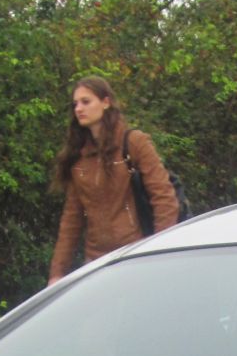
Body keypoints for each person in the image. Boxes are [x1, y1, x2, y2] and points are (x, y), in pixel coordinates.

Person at [47, 77, 179, 285]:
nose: (79, 108)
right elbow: (72, 219)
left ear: (105, 102)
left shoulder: (133, 142)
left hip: (137, 255)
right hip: (96, 262)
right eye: (75, 104)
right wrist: (57, 273)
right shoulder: (78, 157)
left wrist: (158, 253)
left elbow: (164, 198)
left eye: (86, 101)